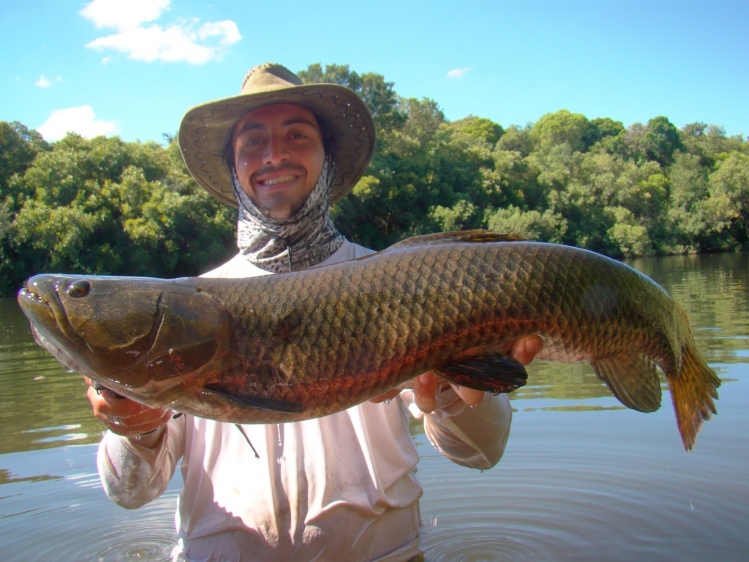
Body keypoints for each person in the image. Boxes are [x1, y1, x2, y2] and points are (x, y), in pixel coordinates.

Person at [85, 62, 542, 562]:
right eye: (252, 142)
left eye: (296, 135)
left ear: (327, 158)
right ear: (234, 169)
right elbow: (130, 493)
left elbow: (482, 452)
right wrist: (134, 426)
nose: (274, 154)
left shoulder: (405, 280)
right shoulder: (182, 311)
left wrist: (455, 394)